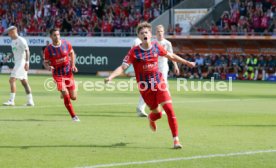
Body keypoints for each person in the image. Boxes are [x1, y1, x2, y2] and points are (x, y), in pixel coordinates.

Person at [105, 22, 195, 149]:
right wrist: (111, 76)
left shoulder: (156, 46)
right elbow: (123, 67)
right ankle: (151, 118)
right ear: (139, 36)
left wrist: (186, 62)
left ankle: (176, 140)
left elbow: (170, 55)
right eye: (142, 33)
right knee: (157, 114)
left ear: (150, 35)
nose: (144, 34)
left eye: (146, 32)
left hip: (159, 82)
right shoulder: (134, 52)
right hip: (145, 88)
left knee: (169, 109)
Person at [136, 25, 180, 117]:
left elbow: (171, 55)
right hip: (152, 67)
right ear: (155, 33)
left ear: (164, 32)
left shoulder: (167, 43)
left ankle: (163, 107)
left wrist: (175, 66)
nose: (160, 33)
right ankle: (140, 107)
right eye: (158, 31)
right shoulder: (152, 43)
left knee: (163, 86)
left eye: (161, 31)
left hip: (163, 66)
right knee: (148, 86)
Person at [43, 28, 80, 122]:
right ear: (51, 37)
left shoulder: (66, 43)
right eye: (55, 35)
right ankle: (73, 116)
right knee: (66, 94)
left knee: (74, 97)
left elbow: (72, 53)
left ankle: (64, 92)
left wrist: (73, 65)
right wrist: (48, 67)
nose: (57, 36)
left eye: (58, 34)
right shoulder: (48, 49)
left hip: (68, 73)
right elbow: (45, 62)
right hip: (57, 75)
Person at [3, 26, 34, 106]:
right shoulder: (13, 41)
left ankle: (11, 100)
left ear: (13, 31)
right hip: (18, 62)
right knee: (24, 82)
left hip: (21, 62)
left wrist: (27, 62)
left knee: (11, 80)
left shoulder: (21, 40)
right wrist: (8, 57)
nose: (8, 34)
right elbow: (14, 52)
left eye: (9, 33)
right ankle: (30, 101)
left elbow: (27, 51)